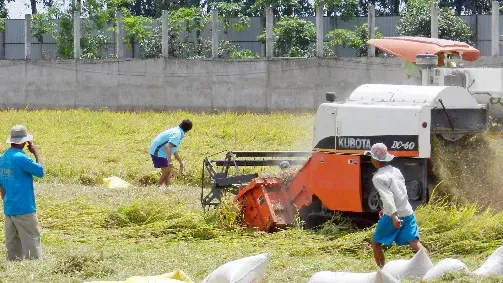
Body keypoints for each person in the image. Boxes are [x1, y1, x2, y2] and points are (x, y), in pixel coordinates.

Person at [365, 143, 426, 268]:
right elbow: (400, 193)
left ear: (375, 159)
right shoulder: (396, 171)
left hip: (393, 215)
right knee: (414, 242)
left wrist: (393, 216)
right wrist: (386, 208)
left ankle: (383, 273)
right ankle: (429, 268)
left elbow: (388, 197)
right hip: (407, 211)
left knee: (376, 243)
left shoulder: (378, 177)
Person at [0, 125, 44, 261]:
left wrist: (5, 199)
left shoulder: (3, 157)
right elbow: (40, 172)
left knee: (13, 247)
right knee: (32, 242)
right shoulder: (21, 157)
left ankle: (15, 274)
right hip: (24, 207)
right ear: (24, 142)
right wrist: (36, 153)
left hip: (9, 207)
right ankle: (34, 272)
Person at [149, 119, 192, 186]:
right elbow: (167, 147)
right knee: (167, 171)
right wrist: (169, 161)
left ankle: (168, 187)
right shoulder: (177, 134)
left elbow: (173, 150)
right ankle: (157, 186)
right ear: (188, 130)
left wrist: (180, 161)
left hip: (158, 150)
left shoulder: (176, 130)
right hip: (157, 151)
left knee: (167, 172)